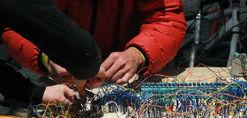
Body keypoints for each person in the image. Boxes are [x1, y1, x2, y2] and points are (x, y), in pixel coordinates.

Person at [2, 0, 187, 89]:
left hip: (125, 79)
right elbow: (14, 24)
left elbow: (166, 17)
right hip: (56, 83)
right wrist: (47, 58)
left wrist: (137, 54)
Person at [0, 0, 103, 105]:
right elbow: (10, 26)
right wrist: (45, 58)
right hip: (42, 73)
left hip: (99, 74)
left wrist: (34, 92)